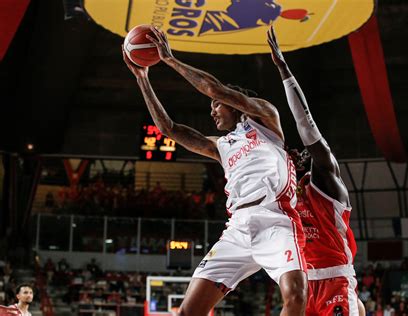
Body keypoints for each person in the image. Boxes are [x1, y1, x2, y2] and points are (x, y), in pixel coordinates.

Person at [122, 26, 307, 316]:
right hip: (238, 227)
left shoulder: (265, 118)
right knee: (188, 311)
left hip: (275, 219)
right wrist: (142, 79)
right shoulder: (221, 146)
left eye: (217, 106)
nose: (212, 111)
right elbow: (169, 129)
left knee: (295, 297)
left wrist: (169, 60)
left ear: (235, 105)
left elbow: (214, 88)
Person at [267, 26, 365, 316]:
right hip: (300, 285)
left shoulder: (325, 182)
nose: (293, 155)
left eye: (299, 152)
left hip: (334, 280)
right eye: (288, 154)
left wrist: (284, 71)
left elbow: (307, 128)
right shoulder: (282, 196)